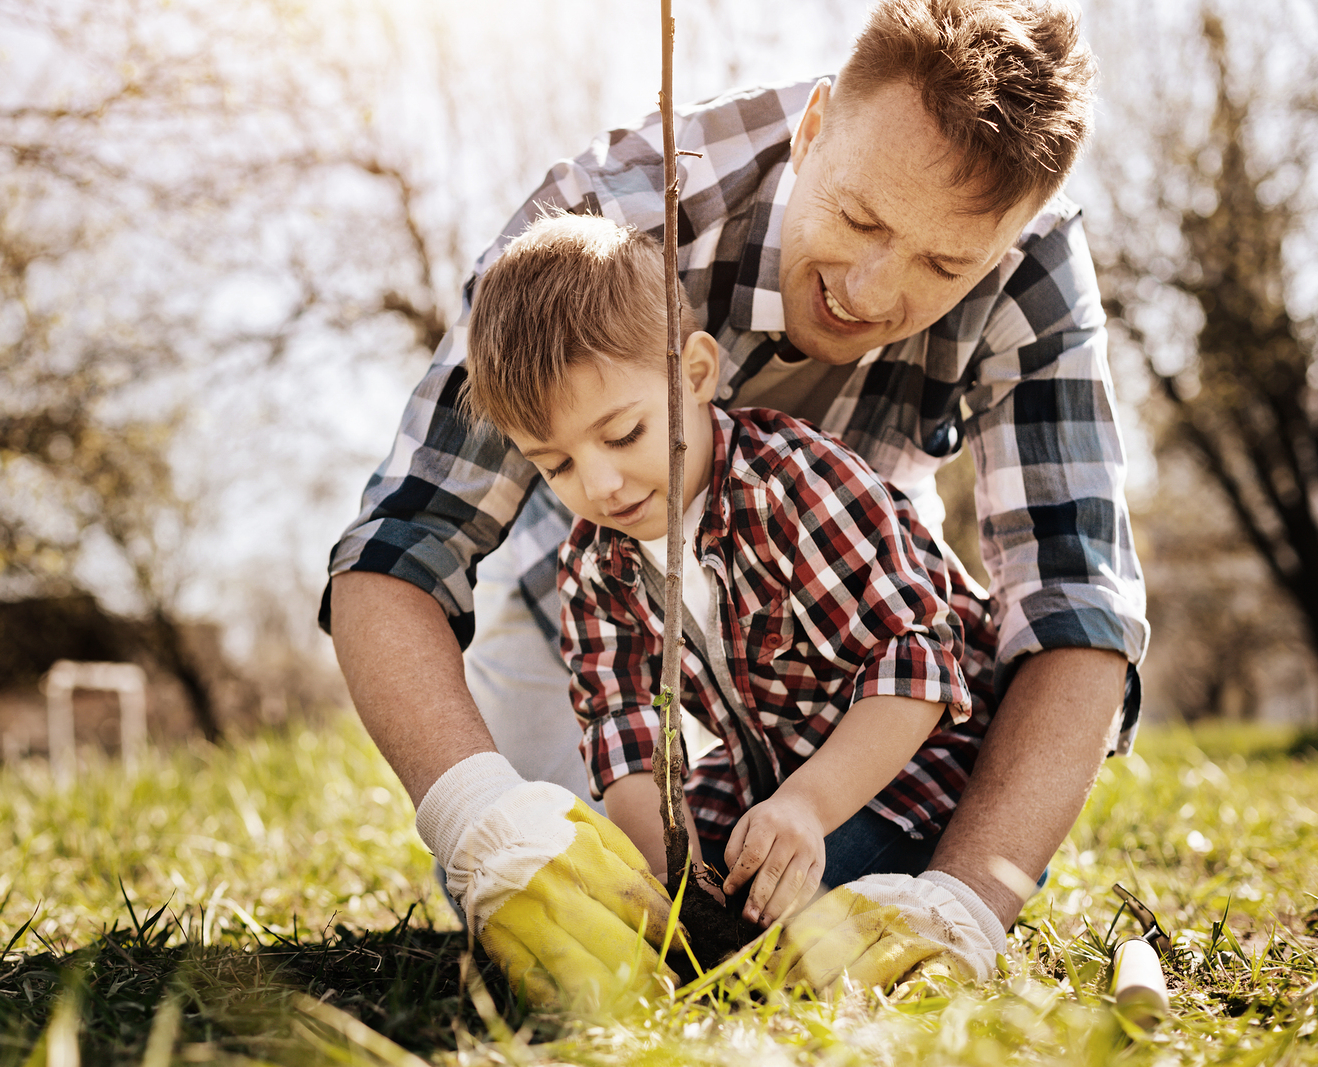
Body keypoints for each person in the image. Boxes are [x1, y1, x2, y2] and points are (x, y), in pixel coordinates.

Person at [323, 0, 1148, 1006]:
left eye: (943, 264)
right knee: (577, 921)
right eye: (858, 216)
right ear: (811, 131)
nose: (870, 289)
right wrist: (477, 814)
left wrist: (967, 897)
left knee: (848, 893)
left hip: (856, 634)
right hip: (588, 611)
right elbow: (404, 540)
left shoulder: (1035, 275)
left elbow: (1074, 604)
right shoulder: (607, 218)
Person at [463, 211, 1002, 944]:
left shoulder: (795, 484)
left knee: (785, 924)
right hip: (766, 776)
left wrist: (809, 805)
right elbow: (625, 731)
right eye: (554, 463)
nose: (600, 482)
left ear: (695, 374)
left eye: (624, 434)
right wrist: (671, 889)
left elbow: (916, 665)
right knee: (651, 898)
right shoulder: (594, 565)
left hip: (914, 766)